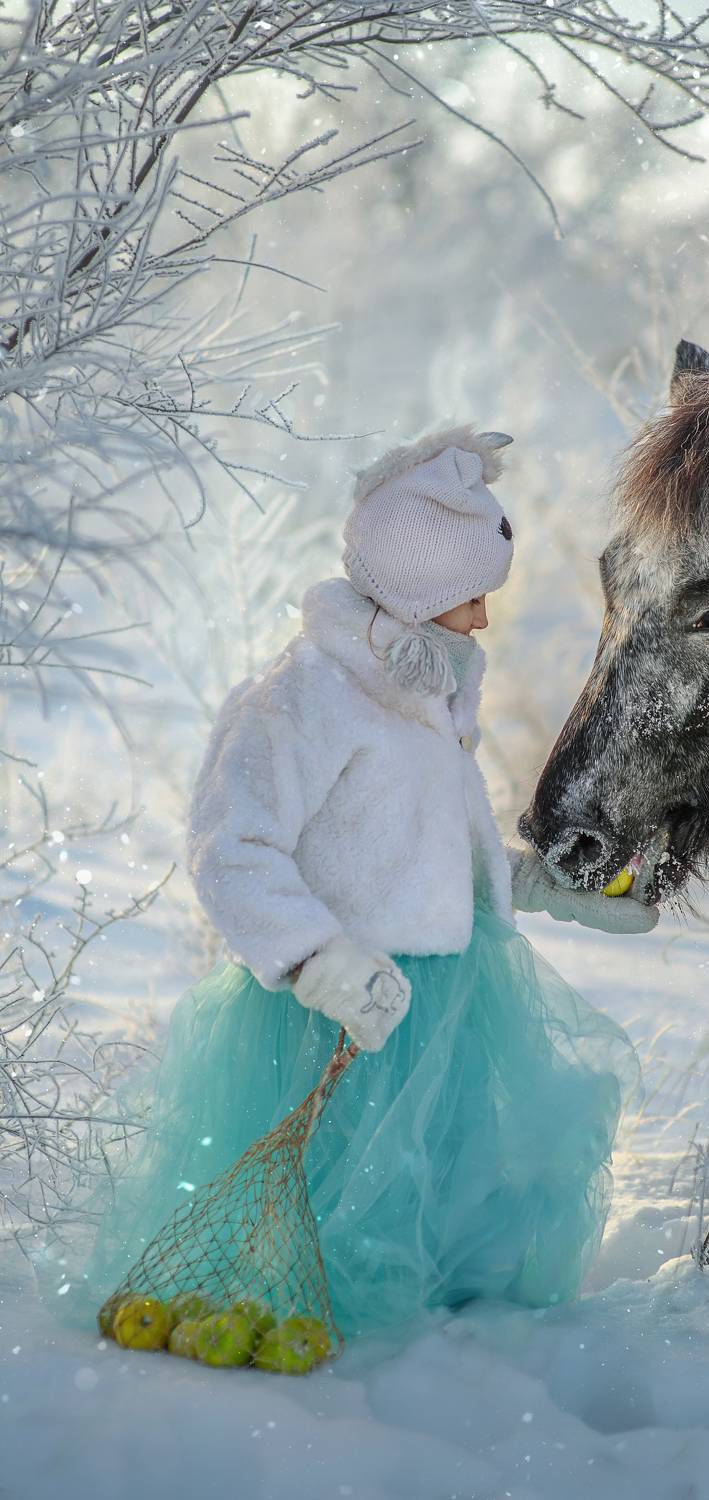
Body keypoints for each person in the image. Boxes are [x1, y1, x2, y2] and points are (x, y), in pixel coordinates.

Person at [77, 425, 652, 1341]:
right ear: (415, 590)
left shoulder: (425, 693)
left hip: (447, 1006)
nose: (484, 619)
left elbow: (412, 857)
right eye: (470, 595)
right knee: (332, 1208)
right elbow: (233, 849)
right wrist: (319, 961)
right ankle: (311, 1364)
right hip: (330, 1017)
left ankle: (441, 1362)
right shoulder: (301, 698)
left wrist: (538, 884)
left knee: (440, 1196)